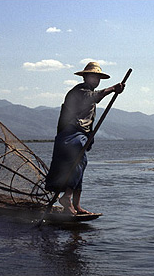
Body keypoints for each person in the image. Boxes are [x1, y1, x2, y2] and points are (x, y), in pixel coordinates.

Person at [45, 61, 125, 215]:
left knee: (80, 167)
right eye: (93, 76)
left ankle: (76, 205)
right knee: (79, 162)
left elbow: (89, 117)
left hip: (80, 134)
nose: (96, 80)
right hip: (70, 134)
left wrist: (89, 137)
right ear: (85, 77)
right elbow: (94, 97)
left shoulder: (88, 92)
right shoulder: (80, 91)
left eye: (98, 77)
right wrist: (113, 89)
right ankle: (66, 198)